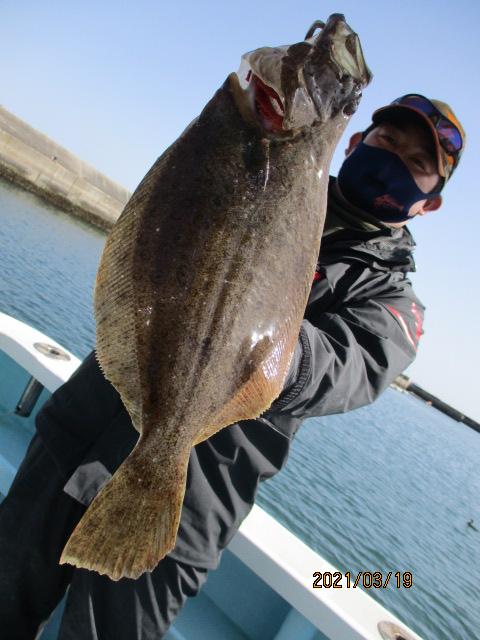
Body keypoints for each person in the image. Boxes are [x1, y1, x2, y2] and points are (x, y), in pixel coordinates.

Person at [0, 94, 466, 639]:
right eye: (388, 141)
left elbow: (345, 368)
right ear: (357, 141)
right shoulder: (258, 172)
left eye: (416, 164)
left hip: (186, 502)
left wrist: (252, 346)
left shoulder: (393, 301)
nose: (394, 160)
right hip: (81, 432)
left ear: (429, 202)